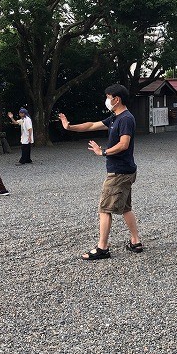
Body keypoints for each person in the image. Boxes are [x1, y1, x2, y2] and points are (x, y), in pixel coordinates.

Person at [59, 84, 143, 260]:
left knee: (104, 209)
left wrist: (102, 152)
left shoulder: (126, 119)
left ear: (116, 99)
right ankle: (135, 242)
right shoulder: (115, 118)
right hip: (123, 171)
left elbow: (124, 144)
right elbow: (91, 126)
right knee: (126, 207)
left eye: (108, 97)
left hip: (119, 173)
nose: (106, 100)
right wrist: (69, 127)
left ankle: (102, 248)